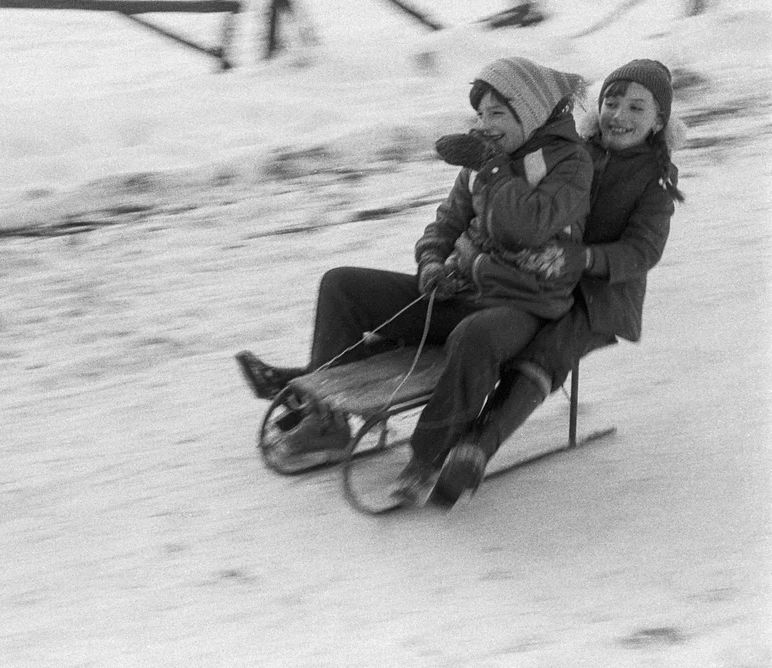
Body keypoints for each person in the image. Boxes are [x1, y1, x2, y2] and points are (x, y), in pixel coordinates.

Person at [236, 57, 594, 487]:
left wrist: (495, 168)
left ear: (531, 112)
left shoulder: (569, 164)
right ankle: (326, 421)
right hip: (463, 292)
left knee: (474, 335)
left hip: (521, 305)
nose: (485, 124)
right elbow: (446, 223)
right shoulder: (484, 161)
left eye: (498, 113)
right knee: (342, 285)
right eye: (480, 114)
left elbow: (526, 227)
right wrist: (431, 264)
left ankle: (429, 455)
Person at [436, 58, 685, 501]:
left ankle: (478, 446)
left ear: (658, 121)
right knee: (492, 323)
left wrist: (585, 258)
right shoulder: (574, 152)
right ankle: (448, 404)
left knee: (548, 349)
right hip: (537, 278)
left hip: (599, 297)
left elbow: (642, 251)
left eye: (636, 109)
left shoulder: (655, 182)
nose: (619, 116)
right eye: (612, 102)